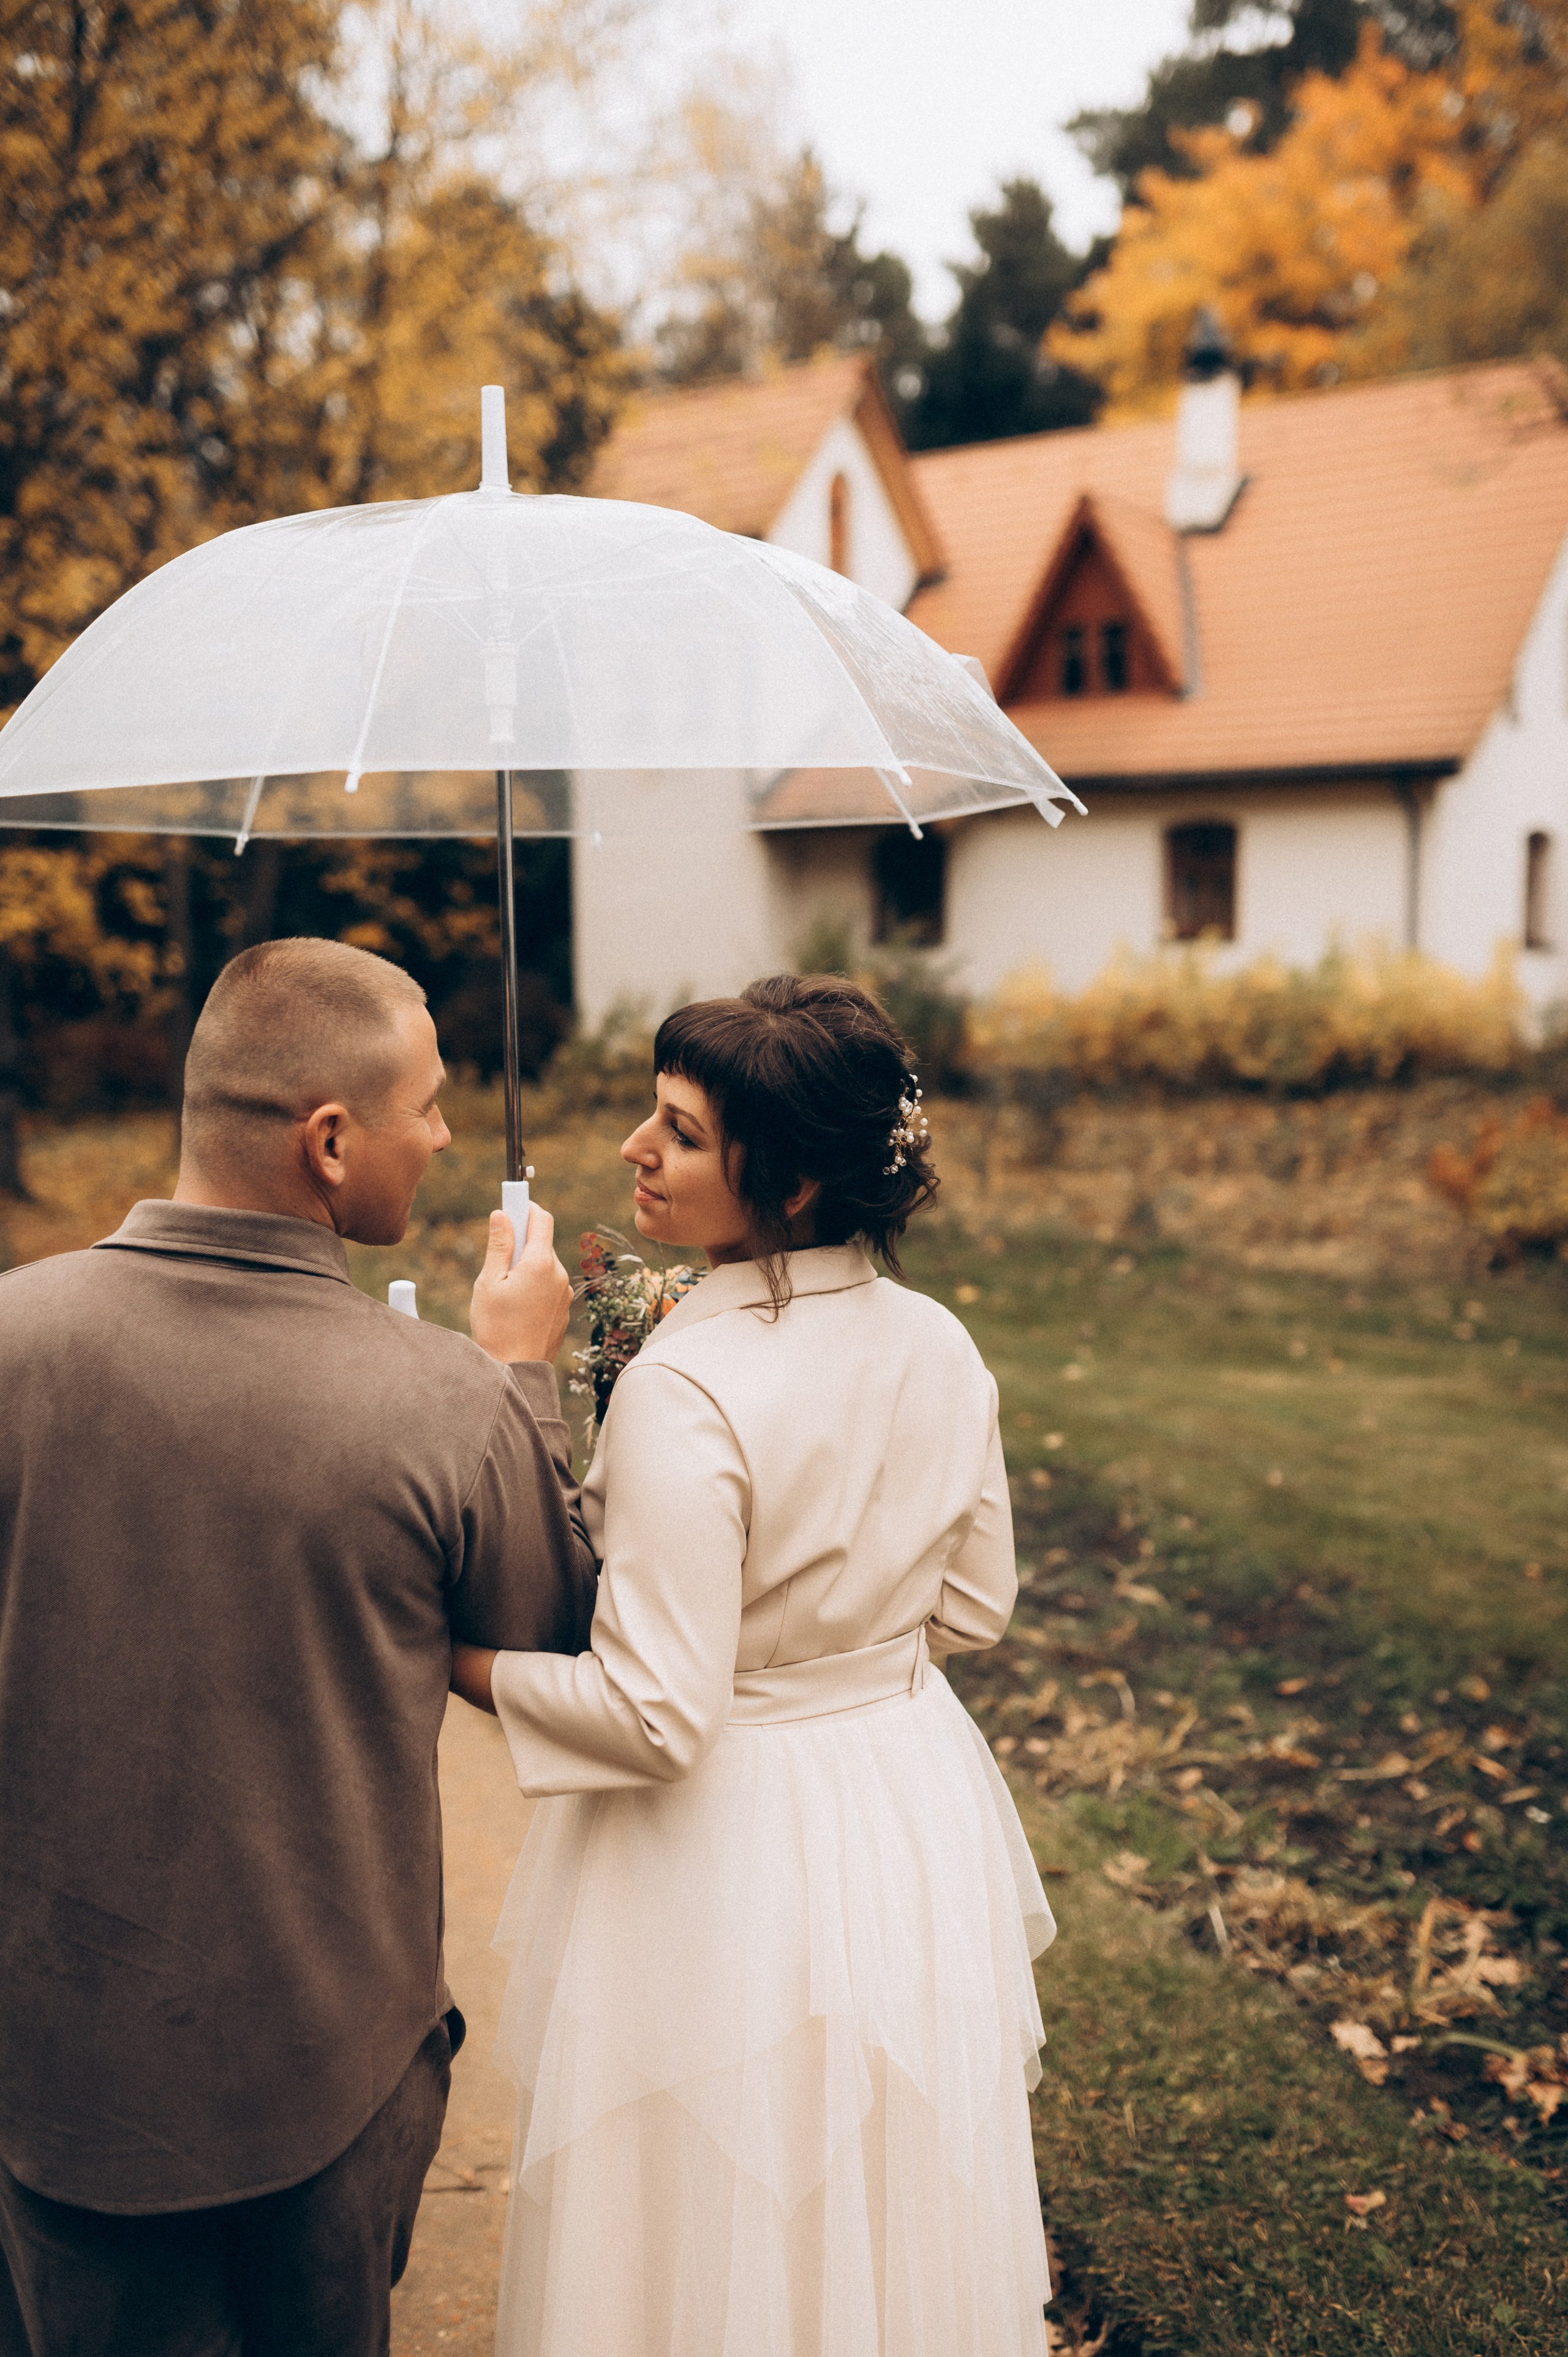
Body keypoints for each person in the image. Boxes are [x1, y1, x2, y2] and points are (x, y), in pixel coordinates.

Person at [0, 937, 595, 2357]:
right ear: (328, 1141)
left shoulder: (10, 1336)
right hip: (331, 2074)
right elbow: (555, 1629)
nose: (442, 1136)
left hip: (51, 2074)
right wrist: (521, 1373)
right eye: (426, 1106)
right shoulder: (442, 1400)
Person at [453, 973, 1055, 2357]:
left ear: (786, 1184)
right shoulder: (939, 1341)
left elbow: (656, 1715)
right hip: (901, 1806)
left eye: (679, 1132)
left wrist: (465, 1661)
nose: (634, 1149)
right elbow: (976, 1604)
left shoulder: (687, 1384)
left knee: (704, 2189)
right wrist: (840, 1646)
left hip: (723, 1845)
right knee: (873, 2178)